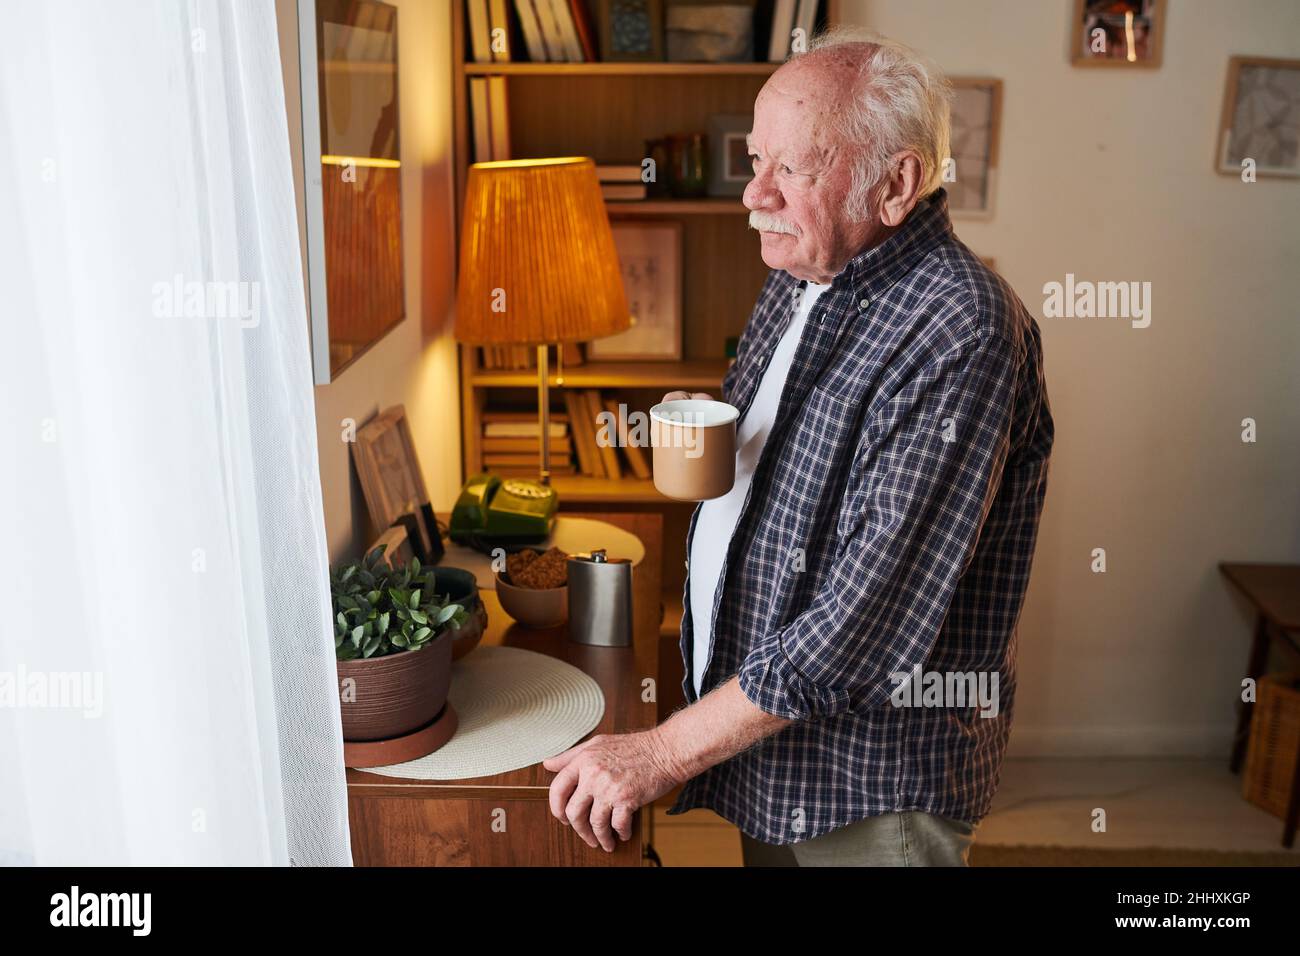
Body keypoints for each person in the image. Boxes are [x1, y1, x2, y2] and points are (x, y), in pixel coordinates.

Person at [544, 27, 1054, 867]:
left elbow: (861, 623)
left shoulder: (961, 328)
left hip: (869, 781)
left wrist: (658, 753)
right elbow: (795, 465)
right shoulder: (803, 268)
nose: (755, 196)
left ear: (898, 184)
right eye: (756, 161)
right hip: (773, 748)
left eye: (794, 169)